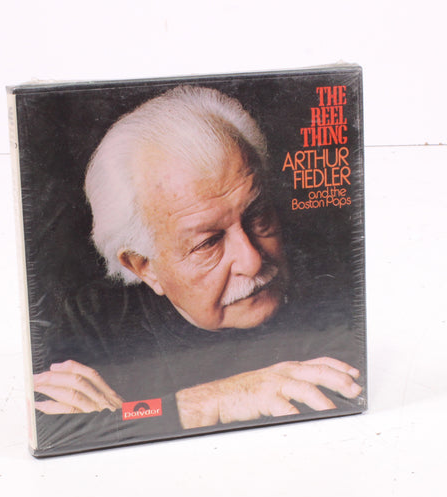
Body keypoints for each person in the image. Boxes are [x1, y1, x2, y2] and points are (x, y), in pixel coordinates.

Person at [32, 86, 362, 443]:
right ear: (144, 267)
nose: (252, 261)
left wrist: (135, 416)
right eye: (208, 243)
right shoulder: (90, 322)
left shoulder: (336, 283)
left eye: (258, 216)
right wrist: (202, 404)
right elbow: (56, 433)